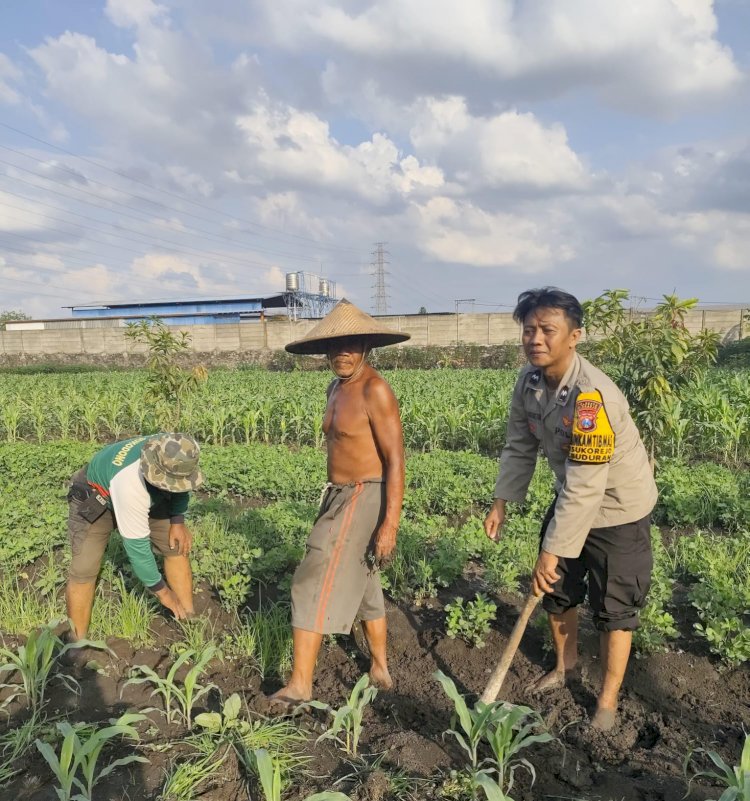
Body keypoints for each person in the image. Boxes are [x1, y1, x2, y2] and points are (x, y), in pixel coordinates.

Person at [484, 288, 657, 732]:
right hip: (574, 497)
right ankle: (566, 667)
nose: (535, 339)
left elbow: (586, 485)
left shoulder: (591, 397)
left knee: (615, 606)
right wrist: (502, 500)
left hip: (617, 506)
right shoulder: (529, 382)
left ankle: (607, 702)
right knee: (557, 590)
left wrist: (551, 550)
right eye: (529, 330)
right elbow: (519, 444)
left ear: (574, 336)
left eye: (547, 330)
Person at [269, 299, 410, 708]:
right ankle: (380, 667)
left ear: (366, 346)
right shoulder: (336, 388)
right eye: (335, 345)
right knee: (364, 580)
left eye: (351, 344)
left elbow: (396, 459)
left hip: (364, 493)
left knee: (310, 578)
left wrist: (390, 524)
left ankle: (300, 684)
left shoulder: (374, 389)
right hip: (338, 495)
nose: (342, 353)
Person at [65, 433, 203, 643]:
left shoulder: (176, 450)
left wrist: (177, 520)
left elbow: (181, 484)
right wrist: (163, 593)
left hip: (149, 491)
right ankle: (76, 642)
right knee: (84, 569)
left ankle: (188, 618)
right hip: (97, 497)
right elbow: (138, 551)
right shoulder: (131, 483)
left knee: (175, 546)